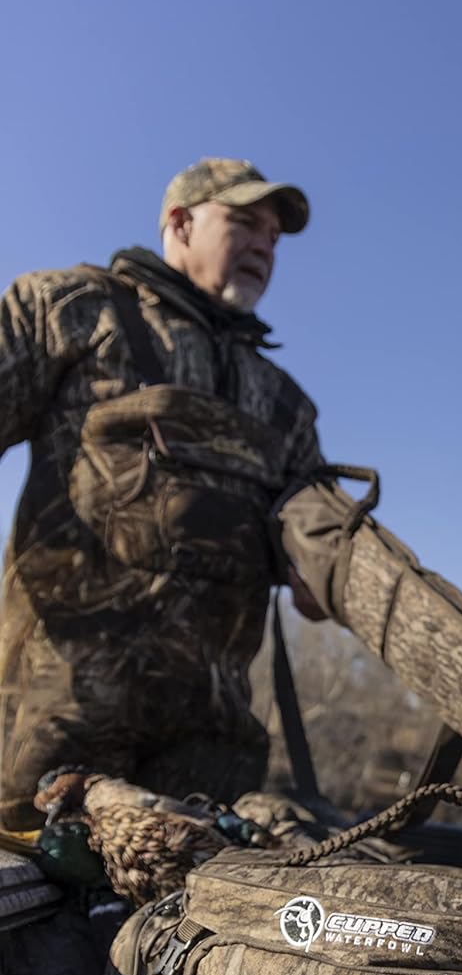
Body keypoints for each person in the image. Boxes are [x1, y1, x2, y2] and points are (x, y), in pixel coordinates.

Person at [0, 158, 326, 829]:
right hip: (48, 744)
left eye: (274, 235)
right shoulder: (68, 309)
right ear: (179, 223)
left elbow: (320, 567)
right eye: (244, 222)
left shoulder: (285, 405)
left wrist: (320, 573)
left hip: (210, 762)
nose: (265, 245)